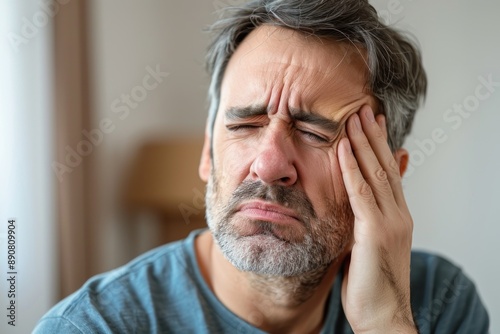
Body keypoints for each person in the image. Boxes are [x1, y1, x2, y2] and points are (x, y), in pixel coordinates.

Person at [34, 0, 489, 333]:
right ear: (208, 153)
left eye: (315, 133)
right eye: (243, 125)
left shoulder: (439, 304)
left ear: (388, 174)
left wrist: (385, 323)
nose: (269, 165)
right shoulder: (91, 327)